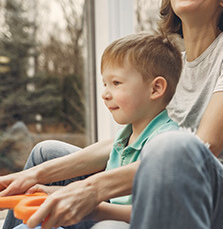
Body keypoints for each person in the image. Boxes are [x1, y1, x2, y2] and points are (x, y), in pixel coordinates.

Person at [0, 0, 223, 229]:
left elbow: (202, 149)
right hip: (161, 181)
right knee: (44, 154)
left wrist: (92, 192)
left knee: (175, 147)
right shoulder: (173, 64)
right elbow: (126, 143)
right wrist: (35, 176)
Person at [1, 32, 182, 229]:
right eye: (105, 84)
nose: (104, 94)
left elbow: (156, 215)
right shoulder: (126, 136)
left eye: (116, 83)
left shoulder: (166, 143)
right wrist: (54, 192)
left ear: (155, 89)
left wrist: (91, 207)